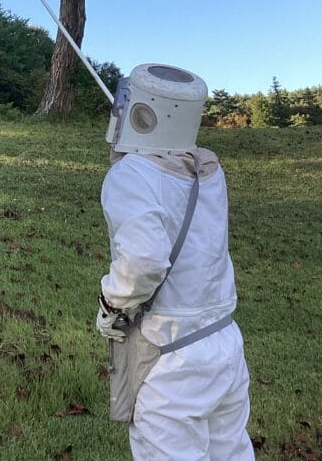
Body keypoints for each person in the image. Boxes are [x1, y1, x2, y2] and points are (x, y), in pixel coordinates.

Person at [96, 63, 254, 461]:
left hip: (171, 353)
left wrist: (111, 304)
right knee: (231, 452)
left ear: (144, 110)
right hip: (224, 339)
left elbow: (144, 260)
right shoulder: (207, 170)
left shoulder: (132, 174)